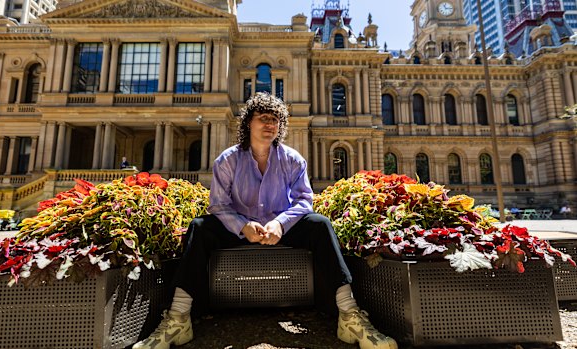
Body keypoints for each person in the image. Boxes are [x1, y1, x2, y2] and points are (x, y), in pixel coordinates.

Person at [132, 93, 397, 349]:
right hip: (238, 229)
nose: (270, 124)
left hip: (281, 228)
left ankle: (349, 315)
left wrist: (281, 224)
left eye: (275, 119)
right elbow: (218, 205)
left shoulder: (293, 159)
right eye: (263, 118)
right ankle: (178, 318)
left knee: (320, 224)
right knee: (199, 227)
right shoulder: (228, 159)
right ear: (249, 123)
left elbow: (304, 200)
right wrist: (242, 226)